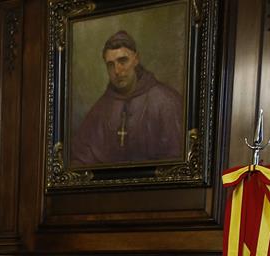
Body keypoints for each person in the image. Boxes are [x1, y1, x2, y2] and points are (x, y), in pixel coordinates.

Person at [70, 30, 185, 166]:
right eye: (110, 65)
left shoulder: (166, 101)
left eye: (122, 61)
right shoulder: (100, 109)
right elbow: (80, 160)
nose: (117, 71)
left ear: (136, 59)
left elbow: (177, 160)